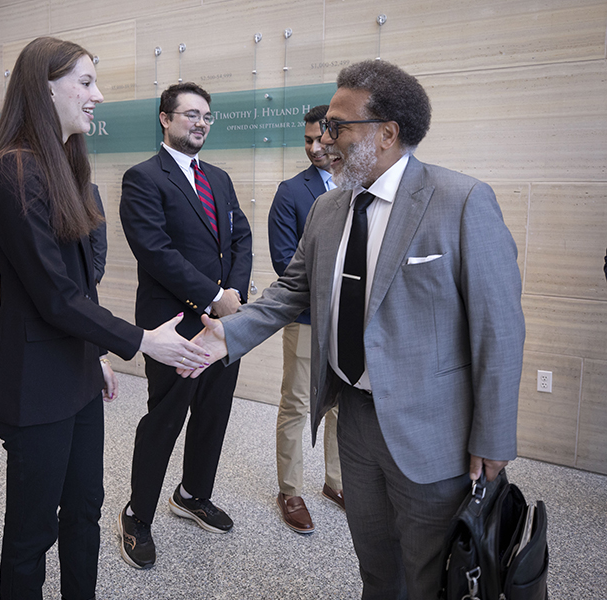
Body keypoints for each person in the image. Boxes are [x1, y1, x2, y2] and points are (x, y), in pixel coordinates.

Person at [180, 59, 525, 599]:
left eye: (338, 126)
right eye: (324, 128)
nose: (323, 139)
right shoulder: (326, 208)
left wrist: (495, 436)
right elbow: (292, 290)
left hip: (433, 433)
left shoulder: (461, 202)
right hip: (356, 421)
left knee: (430, 577)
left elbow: (498, 330)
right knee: (376, 568)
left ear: (387, 133)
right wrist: (230, 332)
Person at [0, 37, 208, 600]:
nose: (97, 96)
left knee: (84, 513)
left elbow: (78, 287)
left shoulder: (62, 167)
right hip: (33, 381)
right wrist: (142, 340)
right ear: (43, 88)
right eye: (85, 82)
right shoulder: (14, 172)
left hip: (71, 371)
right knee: (30, 535)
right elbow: (52, 296)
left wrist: (95, 353)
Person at [117, 82, 253, 569]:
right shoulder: (142, 179)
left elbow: (241, 236)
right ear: (165, 119)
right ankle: (137, 514)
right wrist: (216, 298)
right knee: (166, 419)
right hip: (174, 326)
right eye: (191, 114)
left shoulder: (218, 177)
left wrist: (234, 298)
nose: (201, 123)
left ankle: (192, 494)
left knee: (213, 414)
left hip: (222, 327)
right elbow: (155, 252)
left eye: (207, 116)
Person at [268, 104, 343, 534]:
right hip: (306, 317)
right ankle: (290, 490)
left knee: (341, 406)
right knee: (297, 403)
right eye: (307, 141)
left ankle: (336, 483)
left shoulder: (358, 186)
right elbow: (285, 262)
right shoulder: (291, 192)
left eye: (321, 139)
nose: (315, 148)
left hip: (348, 323)